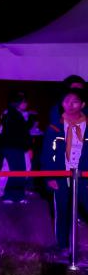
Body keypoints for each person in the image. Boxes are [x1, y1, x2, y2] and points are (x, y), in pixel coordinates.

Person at [42, 89, 88, 254]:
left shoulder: (87, 125)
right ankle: (62, 245)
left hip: (84, 176)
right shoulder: (55, 127)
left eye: (74, 101)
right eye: (66, 101)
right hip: (61, 176)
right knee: (61, 210)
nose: (70, 104)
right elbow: (47, 153)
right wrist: (50, 176)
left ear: (83, 104)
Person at [0, 91, 32, 204]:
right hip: (13, 147)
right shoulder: (12, 114)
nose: (26, 104)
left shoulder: (14, 114)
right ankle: (11, 195)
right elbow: (20, 133)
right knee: (17, 171)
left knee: (18, 170)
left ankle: (16, 195)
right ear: (17, 103)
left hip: (14, 146)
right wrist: (27, 146)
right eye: (23, 102)